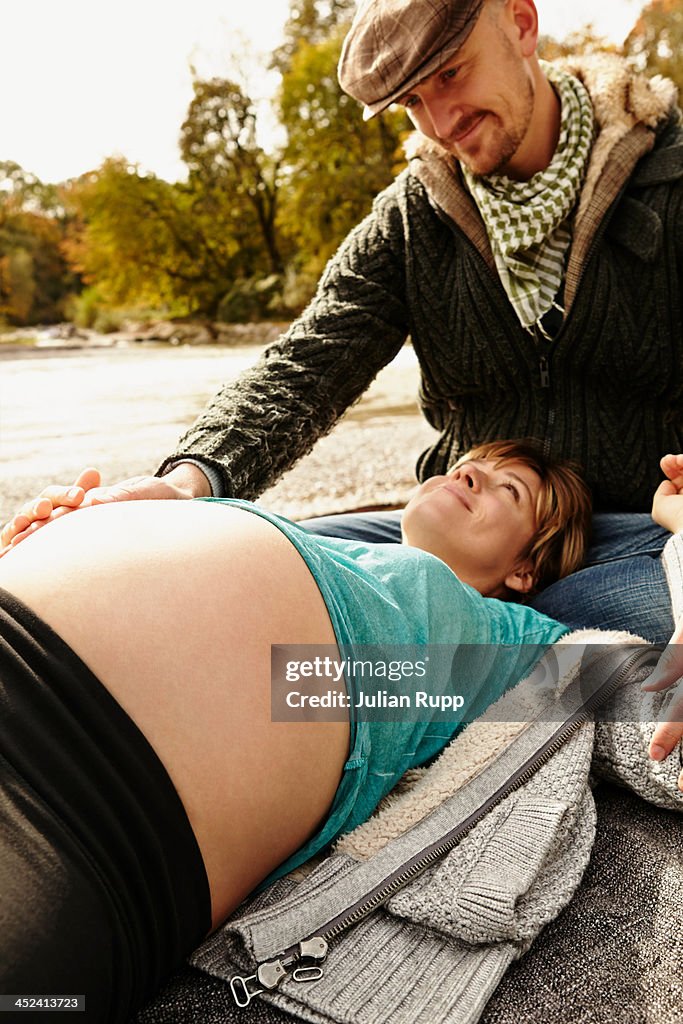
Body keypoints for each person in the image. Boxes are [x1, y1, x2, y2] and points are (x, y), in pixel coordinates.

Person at [2, 0, 682, 643]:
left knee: (635, 637)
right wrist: (185, 484)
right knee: (223, 566)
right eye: (412, 101)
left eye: (450, 72)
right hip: (448, 545)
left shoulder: (669, 174)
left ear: (521, 23)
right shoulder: (409, 220)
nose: (441, 121)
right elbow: (307, 366)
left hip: (638, 535)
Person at [0, 440, 594, 1022]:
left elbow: (653, 685)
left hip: (101, 823)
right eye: (467, 467)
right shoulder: (328, 541)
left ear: (524, 569)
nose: (467, 477)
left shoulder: (509, 638)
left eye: (504, 488)